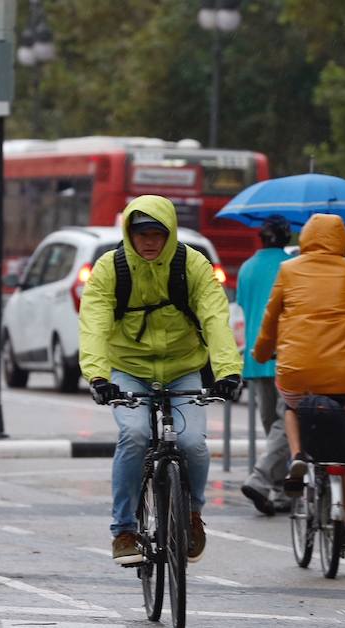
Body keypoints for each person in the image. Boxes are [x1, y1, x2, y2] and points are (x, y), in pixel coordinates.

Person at [79, 195, 242, 566]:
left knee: (193, 443)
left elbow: (216, 318)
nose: (149, 241)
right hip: (129, 369)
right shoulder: (110, 269)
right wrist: (99, 376)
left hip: (184, 366)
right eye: (141, 234)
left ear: (169, 233)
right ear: (129, 234)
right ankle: (123, 529)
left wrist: (228, 371)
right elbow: (94, 324)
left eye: (157, 233)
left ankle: (192, 514)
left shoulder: (193, 265)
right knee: (134, 435)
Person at [253, 214, 345, 552]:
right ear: (343, 240)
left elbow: (271, 317)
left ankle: (297, 456)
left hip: (298, 372)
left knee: (291, 408)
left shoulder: (289, 270)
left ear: (306, 237)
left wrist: (261, 353)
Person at [238, 215, 292, 516]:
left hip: (256, 357)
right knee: (285, 424)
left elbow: (245, 307)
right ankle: (267, 481)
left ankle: (278, 487)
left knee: (271, 422)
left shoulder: (247, 268)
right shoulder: (291, 266)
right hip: (286, 353)